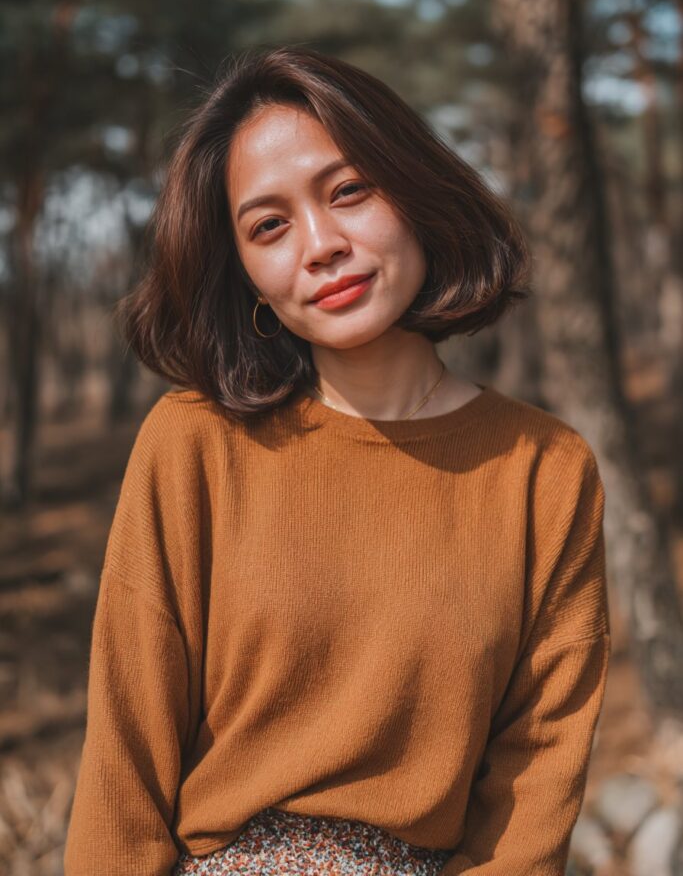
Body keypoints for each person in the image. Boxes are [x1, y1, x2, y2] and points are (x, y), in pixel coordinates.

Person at [63, 44, 611, 876]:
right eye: (269, 226)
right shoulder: (193, 444)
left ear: (415, 188)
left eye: (348, 190)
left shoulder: (544, 469)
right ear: (247, 276)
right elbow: (124, 759)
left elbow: (536, 777)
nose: (320, 245)